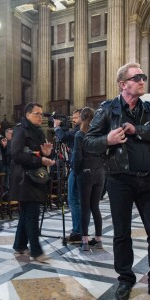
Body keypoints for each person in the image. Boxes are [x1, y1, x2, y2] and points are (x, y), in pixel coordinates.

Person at [84, 62, 150, 300]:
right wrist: (108, 140)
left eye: (143, 76)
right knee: (122, 233)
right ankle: (125, 279)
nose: (143, 80)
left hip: (148, 180)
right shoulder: (108, 109)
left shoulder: (148, 108)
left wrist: (138, 130)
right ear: (123, 84)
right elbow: (88, 142)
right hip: (119, 180)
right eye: (137, 77)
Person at [11, 102, 55, 262]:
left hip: (35, 178)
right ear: (28, 114)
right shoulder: (20, 130)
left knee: (26, 213)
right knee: (32, 214)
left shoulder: (39, 132)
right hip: (24, 179)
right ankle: (36, 251)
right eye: (37, 113)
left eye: (41, 114)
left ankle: (20, 245)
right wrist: (40, 160)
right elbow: (16, 155)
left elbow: (39, 154)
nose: (40, 117)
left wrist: (47, 154)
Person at [72, 107, 105, 251]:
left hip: (85, 173)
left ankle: (84, 241)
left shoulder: (80, 134)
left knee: (85, 207)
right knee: (95, 207)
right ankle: (98, 239)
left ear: (82, 118)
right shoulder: (99, 134)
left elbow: (77, 156)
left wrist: (75, 170)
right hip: (100, 173)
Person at [54, 108, 82, 243]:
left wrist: (57, 127)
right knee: (79, 201)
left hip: (76, 169)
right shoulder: (86, 130)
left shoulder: (79, 131)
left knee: (73, 200)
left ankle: (77, 232)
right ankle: (82, 231)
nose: (74, 120)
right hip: (83, 169)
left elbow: (64, 137)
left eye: (76, 118)